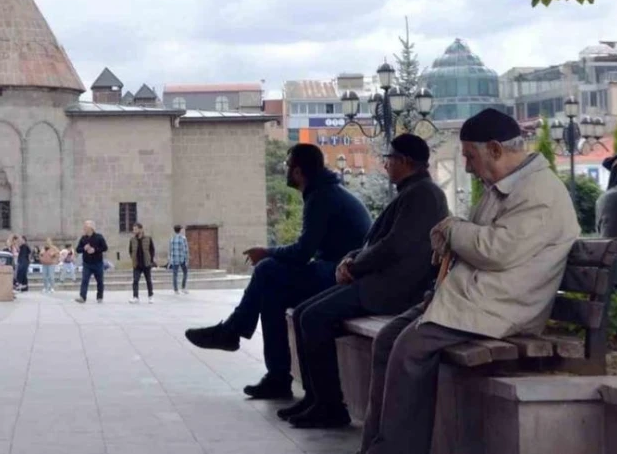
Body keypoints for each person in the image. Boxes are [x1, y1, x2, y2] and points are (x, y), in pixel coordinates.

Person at [361, 108, 580, 454]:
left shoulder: (540, 192)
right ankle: (376, 445)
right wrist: (455, 235)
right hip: (476, 298)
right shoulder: (507, 186)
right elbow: (481, 240)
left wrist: (452, 227)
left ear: (495, 149)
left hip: (501, 307)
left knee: (408, 350)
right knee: (388, 339)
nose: (466, 166)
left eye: (470, 156)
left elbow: (496, 249)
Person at [282, 134, 449, 429]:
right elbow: (378, 240)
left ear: (405, 161)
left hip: (396, 288)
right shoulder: (411, 191)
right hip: (380, 281)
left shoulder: (424, 194)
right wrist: (351, 258)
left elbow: (395, 245)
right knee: (304, 312)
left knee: (315, 318)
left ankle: (331, 406)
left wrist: (355, 267)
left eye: (389, 159)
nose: (385, 165)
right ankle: (316, 398)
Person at [185, 143, 373, 400]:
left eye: (287, 166)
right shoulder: (326, 192)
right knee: (271, 294)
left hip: (341, 274)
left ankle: (233, 332)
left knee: (266, 270)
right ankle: (277, 377)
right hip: (336, 269)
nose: (285, 171)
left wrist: (268, 252)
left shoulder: (322, 197)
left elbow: (302, 252)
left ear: (297, 172)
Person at [75, 221, 108, 304]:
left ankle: (99, 297)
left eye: (85, 227)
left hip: (98, 263)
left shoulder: (99, 237)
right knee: (85, 280)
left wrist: (95, 250)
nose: (84, 229)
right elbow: (78, 250)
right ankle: (82, 297)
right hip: (87, 263)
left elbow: (105, 248)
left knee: (100, 281)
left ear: (91, 228)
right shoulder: (83, 238)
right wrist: (84, 248)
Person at [129, 223, 156, 304]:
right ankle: (135, 297)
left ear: (141, 229)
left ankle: (150, 296)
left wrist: (150, 260)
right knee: (135, 281)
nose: (134, 231)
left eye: (136, 229)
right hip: (137, 264)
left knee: (148, 280)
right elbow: (130, 250)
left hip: (146, 263)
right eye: (133, 229)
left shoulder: (148, 238)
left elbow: (152, 250)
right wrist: (133, 258)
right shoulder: (132, 240)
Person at [169, 224, 189, 294]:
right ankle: (183, 288)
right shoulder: (183, 238)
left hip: (174, 259)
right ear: (180, 230)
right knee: (185, 273)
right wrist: (186, 259)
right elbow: (185, 249)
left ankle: (176, 290)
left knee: (175, 275)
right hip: (182, 258)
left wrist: (170, 260)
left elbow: (170, 250)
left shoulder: (172, 239)